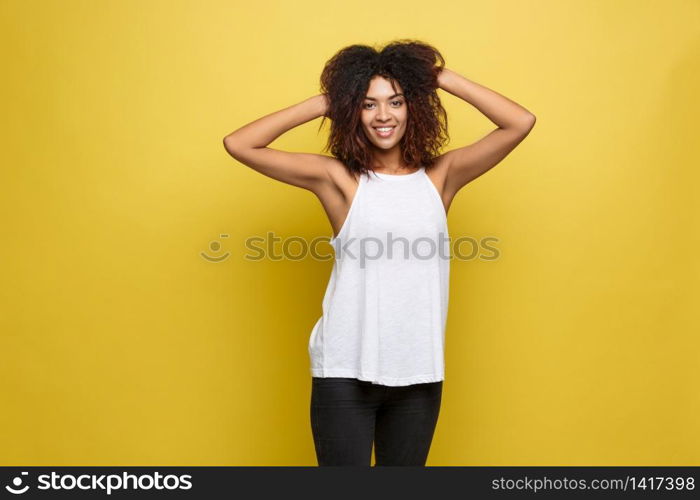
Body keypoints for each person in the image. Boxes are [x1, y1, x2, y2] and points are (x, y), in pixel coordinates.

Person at [223, 39, 536, 466]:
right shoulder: (337, 179)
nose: (383, 116)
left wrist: (436, 77)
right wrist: (330, 100)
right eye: (368, 104)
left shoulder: (441, 177)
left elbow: (520, 121)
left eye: (396, 101)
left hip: (419, 373)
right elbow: (240, 144)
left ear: (414, 108)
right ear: (354, 111)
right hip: (344, 373)